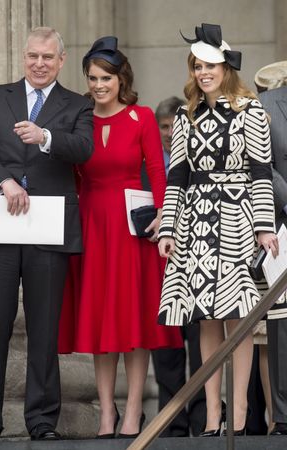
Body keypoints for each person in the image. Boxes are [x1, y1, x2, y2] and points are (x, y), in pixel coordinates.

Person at [0, 27, 94, 442]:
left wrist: (46, 138)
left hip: (48, 226)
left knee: (43, 327)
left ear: (61, 60)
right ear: (24, 58)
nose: (39, 63)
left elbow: (83, 149)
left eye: (48, 57)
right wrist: (5, 183)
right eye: (33, 56)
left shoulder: (76, 104)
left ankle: (42, 421)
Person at [58, 36, 182, 439]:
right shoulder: (80, 118)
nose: (98, 85)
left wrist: (165, 215)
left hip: (132, 229)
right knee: (100, 322)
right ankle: (106, 412)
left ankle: (132, 412)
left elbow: (158, 172)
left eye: (106, 78)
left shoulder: (142, 117)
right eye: (92, 77)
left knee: (133, 320)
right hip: (92, 224)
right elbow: (72, 173)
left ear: (120, 78)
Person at [157, 23, 278, 437]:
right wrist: (168, 228)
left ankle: (240, 414)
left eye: (210, 66)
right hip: (194, 220)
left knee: (238, 318)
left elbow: (262, 172)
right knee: (205, 318)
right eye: (197, 66)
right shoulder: (185, 115)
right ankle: (213, 415)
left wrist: (264, 227)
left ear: (226, 68)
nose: (203, 73)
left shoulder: (250, 109)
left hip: (238, 219)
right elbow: (176, 178)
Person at [143, 96, 206, 437]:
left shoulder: (200, 159)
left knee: (199, 344)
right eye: (163, 127)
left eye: (173, 126)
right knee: (165, 347)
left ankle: (203, 416)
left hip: (196, 262)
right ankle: (171, 422)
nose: (168, 133)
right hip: (158, 263)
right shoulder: (145, 166)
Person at [254, 60, 287, 436]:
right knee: (275, 328)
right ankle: (280, 416)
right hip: (278, 228)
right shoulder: (266, 109)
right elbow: (264, 166)